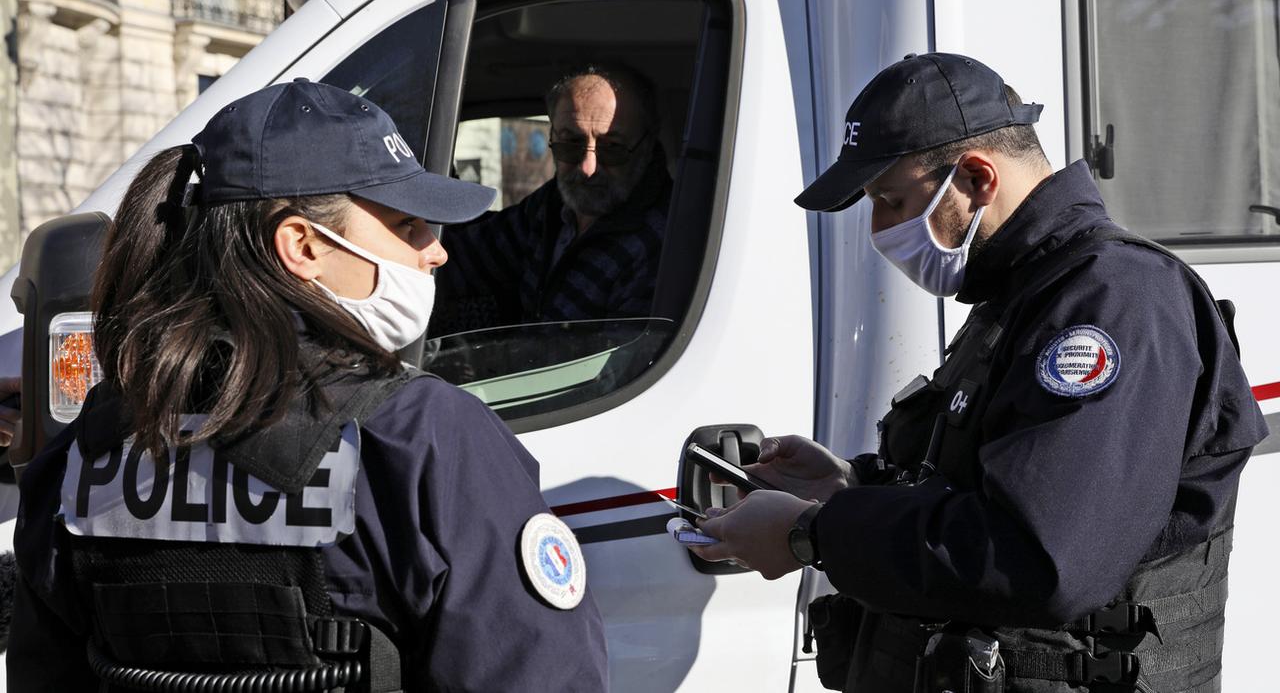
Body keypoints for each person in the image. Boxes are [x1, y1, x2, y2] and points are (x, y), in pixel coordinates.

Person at [690, 53, 1268, 692]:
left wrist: (812, 534)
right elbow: (990, 480)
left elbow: (1037, 558)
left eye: (890, 199)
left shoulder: (1114, 300)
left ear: (975, 177)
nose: (880, 229)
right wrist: (848, 485)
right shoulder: (1029, 290)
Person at [7, 80, 609, 690]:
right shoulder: (426, 439)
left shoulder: (89, 449)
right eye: (406, 226)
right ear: (303, 246)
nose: (435, 252)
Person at [430, 64, 671, 334]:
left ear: (647, 146)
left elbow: (621, 369)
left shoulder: (660, 244)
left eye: (612, 148)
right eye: (570, 144)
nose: (587, 167)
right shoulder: (553, 205)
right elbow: (469, 260)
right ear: (552, 136)